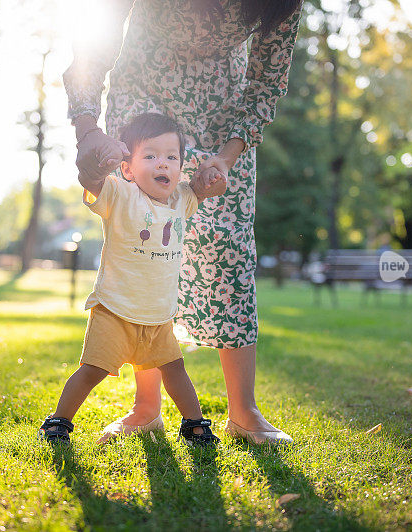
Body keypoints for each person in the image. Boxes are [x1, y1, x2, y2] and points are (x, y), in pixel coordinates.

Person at [64, 0, 301, 444]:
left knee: (228, 248)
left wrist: (225, 159)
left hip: (222, 111)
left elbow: (267, 81)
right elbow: (94, 39)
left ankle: (243, 410)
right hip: (143, 94)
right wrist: (87, 128)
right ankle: (145, 408)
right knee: (142, 237)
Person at [39, 113, 225, 446]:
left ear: (181, 166)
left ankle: (194, 424)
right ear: (128, 168)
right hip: (115, 310)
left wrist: (212, 176)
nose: (163, 164)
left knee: (175, 371)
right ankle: (59, 422)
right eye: (150, 156)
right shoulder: (120, 195)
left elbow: (209, 188)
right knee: (92, 370)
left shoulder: (182, 199)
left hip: (158, 317)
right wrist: (95, 167)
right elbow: (91, 181)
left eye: (171, 157)